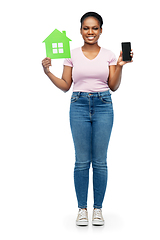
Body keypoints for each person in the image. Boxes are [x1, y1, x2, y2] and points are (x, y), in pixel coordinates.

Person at [42, 12, 133, 226]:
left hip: (103, 105)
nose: (90, 32)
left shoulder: (110, 54)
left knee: (100, 162)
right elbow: (66, 85)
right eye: (86, 28)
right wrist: (47, 72)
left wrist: (119, 66)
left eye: (94, 28)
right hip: (78, 106)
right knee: (82, 161)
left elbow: (113, 86)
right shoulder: (71, 55)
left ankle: (98, 210)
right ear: (80, 30)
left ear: (101, 30)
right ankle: (82, 209)